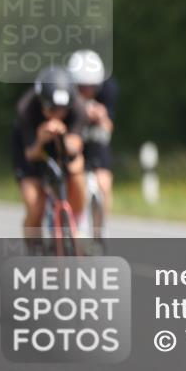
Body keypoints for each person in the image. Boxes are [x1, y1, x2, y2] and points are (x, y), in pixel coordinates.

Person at [11, 66, 87, 248]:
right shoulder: (26, 108)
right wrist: (41, 139)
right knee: (34, 204)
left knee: (77, 170)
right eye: (52, 109)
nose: (57, 114)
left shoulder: (78, 107)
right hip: (30, 151)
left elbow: (76, 145)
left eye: (62, 110)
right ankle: (32, 245)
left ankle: (75, 220)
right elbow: (31, 153)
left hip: (62, 143)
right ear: (42, 103)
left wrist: (62, 137)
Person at [67, 49, 118, 234]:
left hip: (96, 138)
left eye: (91, 87)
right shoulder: (65, 91)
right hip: (74, 137)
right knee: (74, 181)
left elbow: (109, 127)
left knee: (104, 184)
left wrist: (101, 117)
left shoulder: (109, 89)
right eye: (82, 87)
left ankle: (99, 232)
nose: (87, 91)